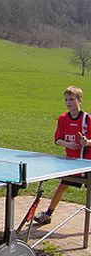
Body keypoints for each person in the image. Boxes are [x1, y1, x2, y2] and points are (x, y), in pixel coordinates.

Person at [35, 85, 91, 225]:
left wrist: (87, 142)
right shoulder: (63, 118)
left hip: (87, 163)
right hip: (72, 163)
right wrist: (68, 145)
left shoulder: (87, 119)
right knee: (61, 187)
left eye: (72, 99)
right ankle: (48, 214)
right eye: (66, 99)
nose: (68, 102)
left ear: (80, 100)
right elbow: (57, 140)